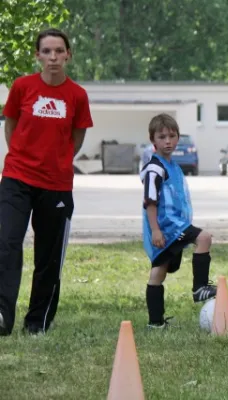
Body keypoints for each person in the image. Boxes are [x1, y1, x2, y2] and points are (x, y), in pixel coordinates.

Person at [0, 28, 93, 336]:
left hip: (56, 184)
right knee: (6, 242)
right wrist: (23, 158)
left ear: (68, 55)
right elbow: (11, 126)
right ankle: (2, 314)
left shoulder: (77, 95)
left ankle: (36, 322)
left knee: (49, 256)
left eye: (59, 51)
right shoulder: (22, 87)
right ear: (38, 55)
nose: (53, 57)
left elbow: (76, 139)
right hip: (17, 178)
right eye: (47, 51)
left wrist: (55, 161)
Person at [140, 114, 216, 329]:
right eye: (162, 137)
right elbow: (150, 202)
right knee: (204, 237)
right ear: (152, 140)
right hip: (167, 227)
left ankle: (155, 323)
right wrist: (155, 230)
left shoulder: (174, 167)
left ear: (178, 138)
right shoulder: (155, 168)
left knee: (159, 271)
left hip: (174, 226)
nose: (167, 141)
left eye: (172, 136)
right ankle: (199, 287)